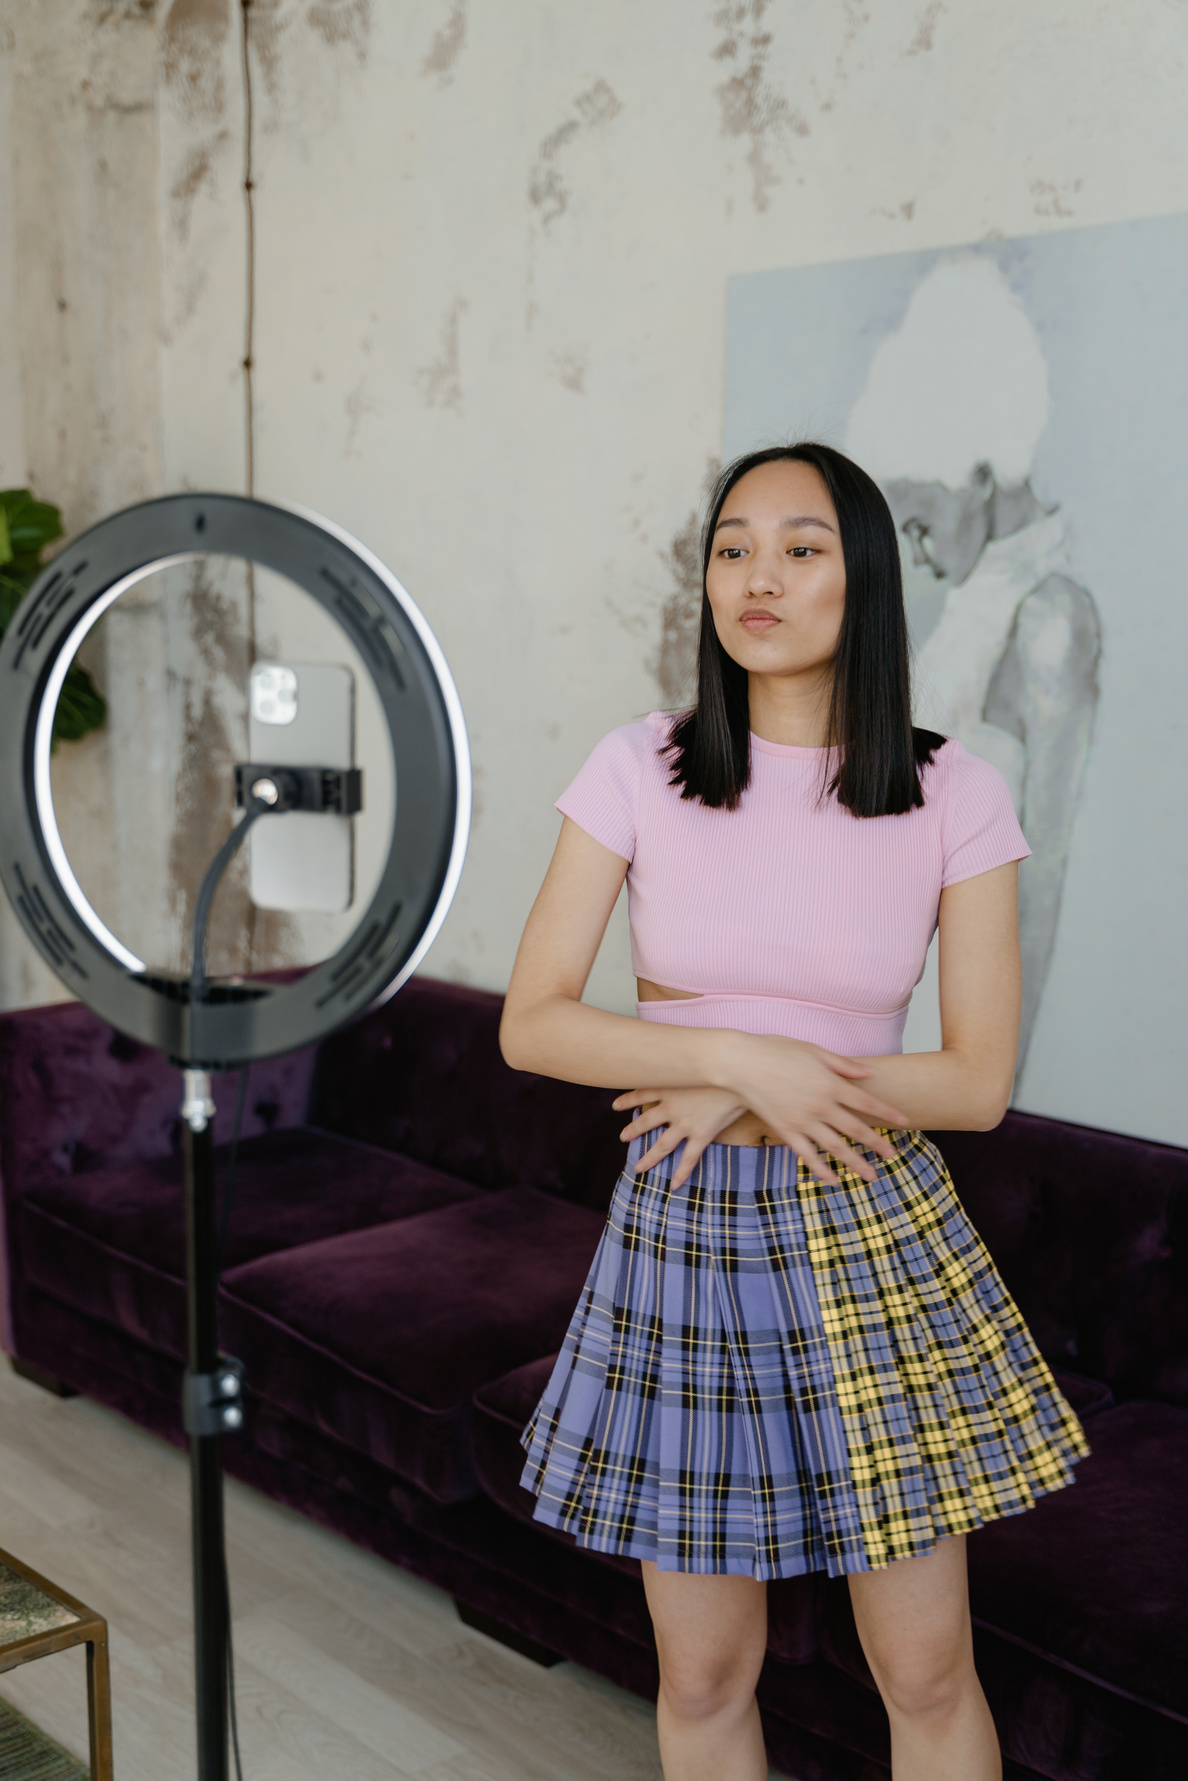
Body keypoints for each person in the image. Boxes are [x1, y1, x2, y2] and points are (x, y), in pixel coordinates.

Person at [499, 443, 1088, 1781]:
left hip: (873, 1224)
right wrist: (743, 1061)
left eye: (801, 546)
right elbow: (533, 1022)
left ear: (863, 578)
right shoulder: (637, 768)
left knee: (926, 1666)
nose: (758, 574)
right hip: (686, 1234)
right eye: (732, 546)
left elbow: (977, 1080)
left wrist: (738, 1075)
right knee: (705, 1668)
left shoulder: (956, 791)